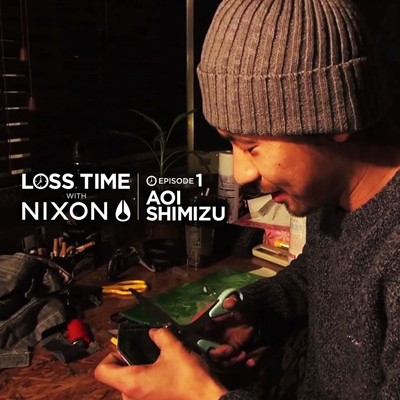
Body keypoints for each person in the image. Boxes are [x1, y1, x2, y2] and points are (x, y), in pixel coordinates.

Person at [94, 0, 400, 398]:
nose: (241, 174)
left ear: (336, 114)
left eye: (251, 145)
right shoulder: (333, 198)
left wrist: (202, 396)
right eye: (230, 144)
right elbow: (318, 277)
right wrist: (257, 311)